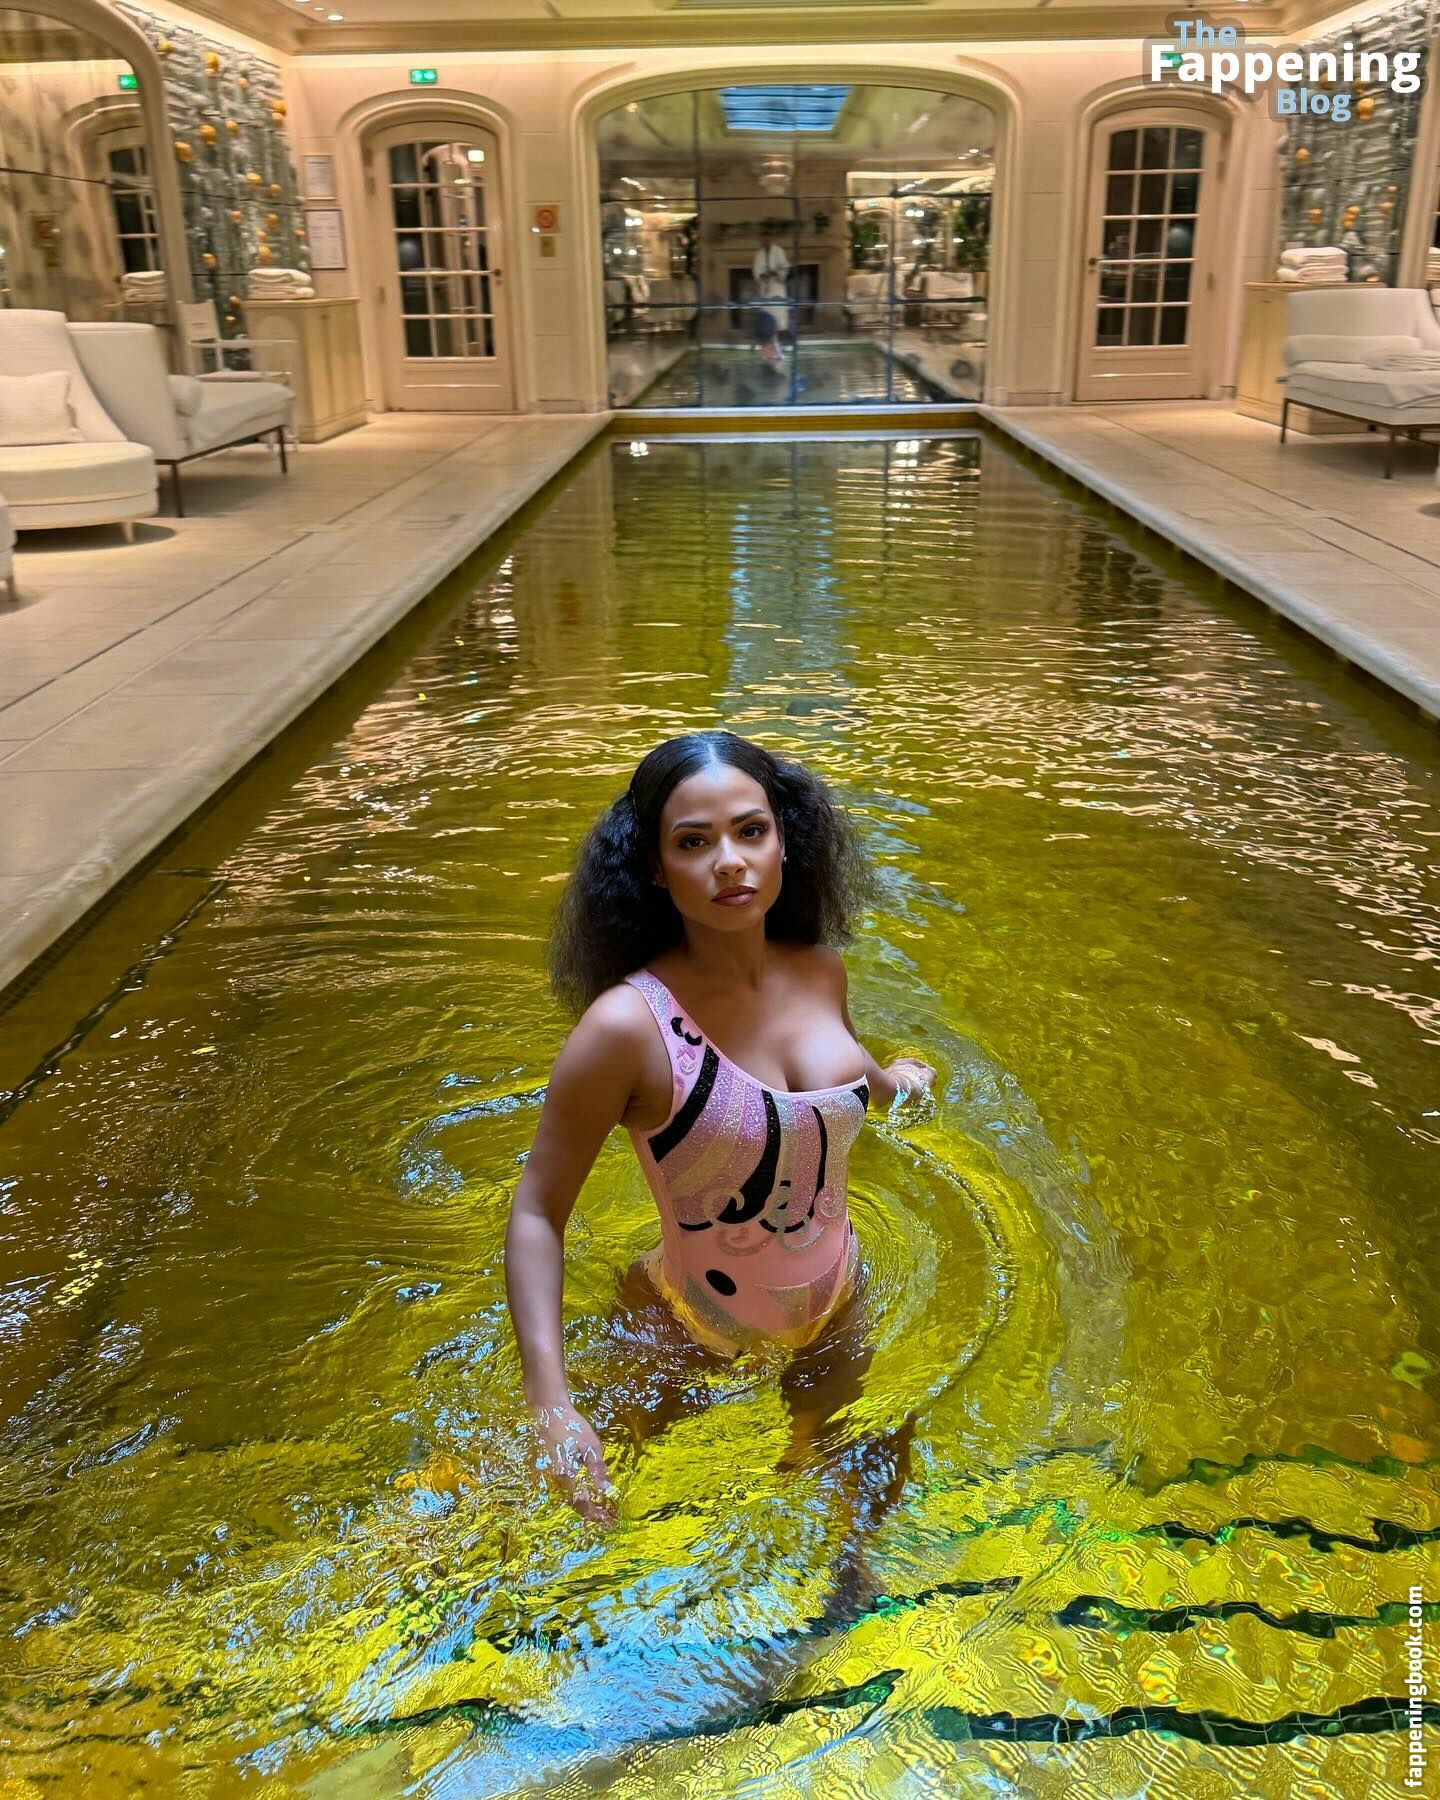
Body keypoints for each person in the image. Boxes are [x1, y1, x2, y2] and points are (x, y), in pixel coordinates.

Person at [504, 730, 935, 1544]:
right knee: (563, 1526)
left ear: (785, 842)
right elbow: (536, 1212)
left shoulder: (821, 971)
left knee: (857, 1528)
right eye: (694, 843)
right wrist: (551, 1407)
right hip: (686, 1327)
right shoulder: (627, 1028)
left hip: (838, 1304)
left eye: (750, 831)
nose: (730, 862)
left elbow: (847, 1082)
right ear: (655, 868)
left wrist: (899, 1083)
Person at [751, 229, 791, 367]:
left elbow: (785, 267)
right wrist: (763, 276)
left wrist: (776, 273)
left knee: (777, 321)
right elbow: (756, 272)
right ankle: (770, 351)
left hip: (777, 290)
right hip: (765, 290)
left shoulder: (779, 251)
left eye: (767, 238)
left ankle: (775, 349)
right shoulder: (758, 254)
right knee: (767, 321)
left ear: (771, 238)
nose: (765, 241)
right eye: (763, 239)